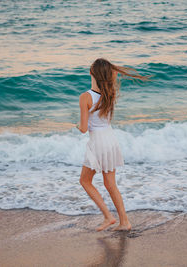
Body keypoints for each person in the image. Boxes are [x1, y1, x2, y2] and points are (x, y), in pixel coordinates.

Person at [76, 58, 149, 231]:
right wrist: (112, 71)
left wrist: (78, 126)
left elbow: (84, 129)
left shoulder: (85, 97)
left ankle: (108, 217)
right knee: (110, 184)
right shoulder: (110, 93)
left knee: (85, 181)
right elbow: (112, 76)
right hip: (111, 139)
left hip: (98, 142)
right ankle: (124, 222)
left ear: (91, 73)